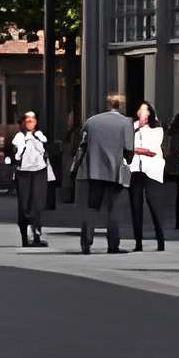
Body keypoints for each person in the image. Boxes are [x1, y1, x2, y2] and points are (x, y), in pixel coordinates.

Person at [74, 94, 135, 255]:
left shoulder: (92, 121)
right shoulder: (126, 123)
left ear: (108, 104)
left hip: (93, 170)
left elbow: (82, 145)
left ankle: (86, 243)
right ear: (121, 105)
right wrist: (127, 162)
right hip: (115, 171)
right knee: (113, 209)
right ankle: (113, 245)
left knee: (91, 208)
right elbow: (129, 148)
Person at [124, 104, 169, 252]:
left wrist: (137, 149)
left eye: (144, 109)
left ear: (150, 112)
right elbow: (126, 145)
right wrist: (137, 146)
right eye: (140, 109)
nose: (141, 112)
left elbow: (153, 149)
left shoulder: (157, 129)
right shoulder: (131, 127)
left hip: (152, 170)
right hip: (135, 168)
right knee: (135, 206)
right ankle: (138, 242)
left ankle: (161, 240)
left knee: (154, 205)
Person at [5, 110, 51, 246]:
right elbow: (13, 153)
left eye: (32, 120)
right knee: (24, 205)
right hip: (23, 173)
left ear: (36, 122)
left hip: (39, 171)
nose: (30, 122)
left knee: (38, 203)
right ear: (23, 122)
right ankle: (25, 238)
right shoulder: (18, 137)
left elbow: (46, 149)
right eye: (27, 120)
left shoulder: (40, 135)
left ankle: (36, 236)